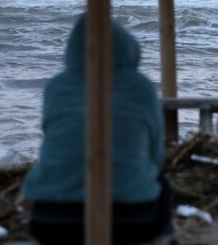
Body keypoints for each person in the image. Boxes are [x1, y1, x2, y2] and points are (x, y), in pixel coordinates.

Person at [23, 14, 173, 244]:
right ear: (126, 47)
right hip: (131, 220)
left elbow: (54, 137)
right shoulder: (141, 88)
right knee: (162, 185)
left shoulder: (57, 87)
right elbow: (156, 156)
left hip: (51, 219)